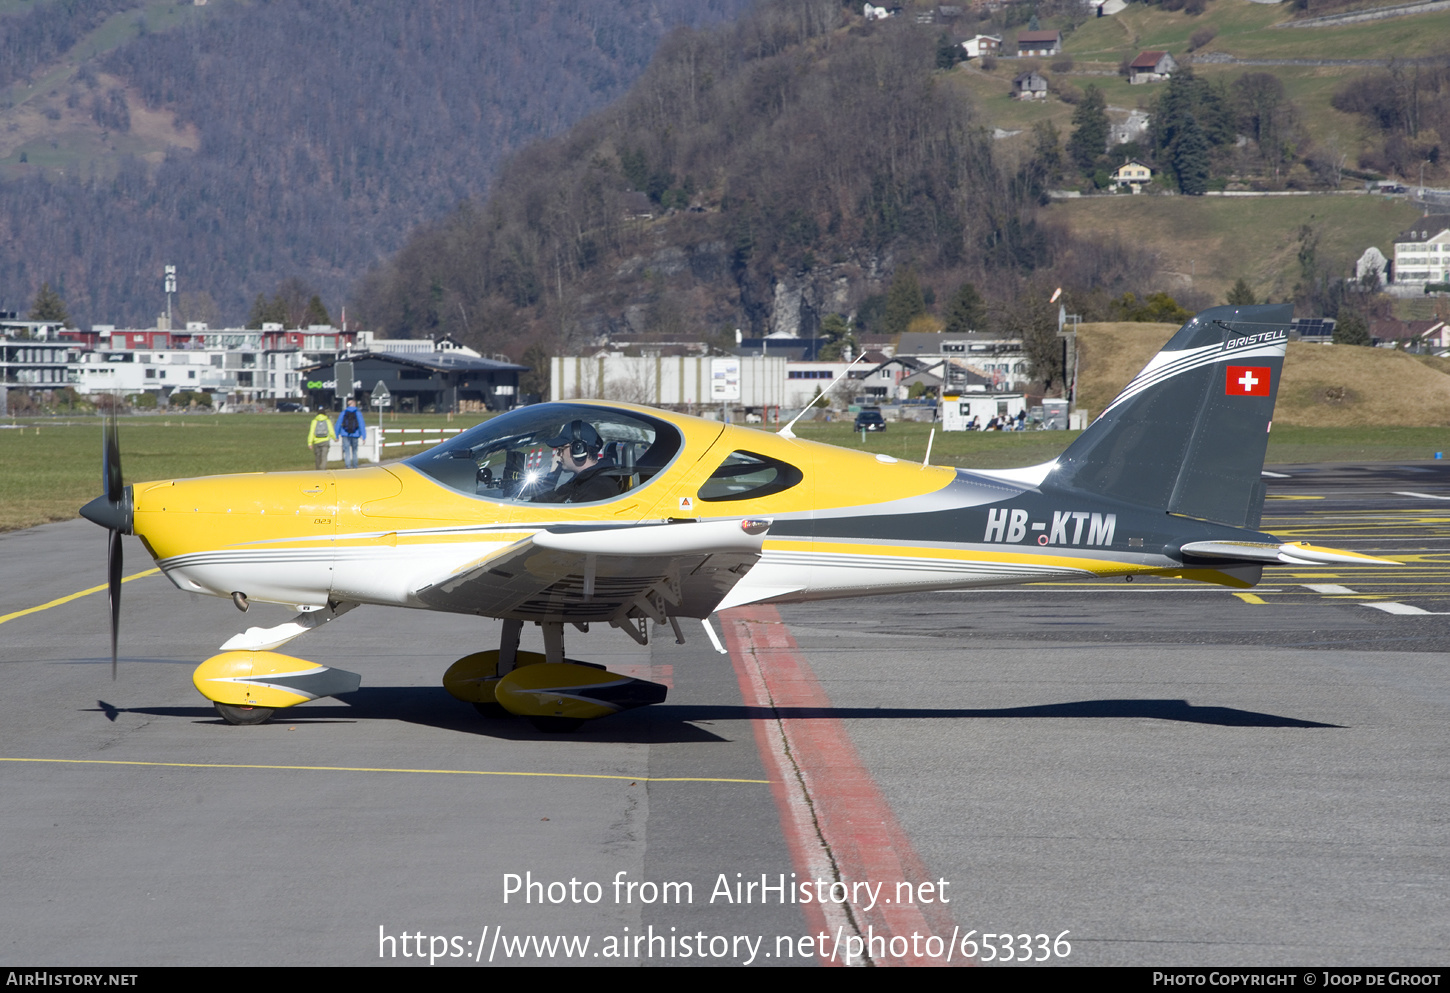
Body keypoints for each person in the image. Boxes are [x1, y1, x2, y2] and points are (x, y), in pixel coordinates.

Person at [533, 419, 620, 504]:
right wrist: (553, 474)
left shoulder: (599, 488)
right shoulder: (577, 481)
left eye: (560, 449)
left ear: (578, 449)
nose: (558, 455)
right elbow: (537, 506)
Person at [335, 399, 366, 470]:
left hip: (345, 434)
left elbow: (338, 424)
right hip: (355, 434)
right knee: (354, 451)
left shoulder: (343, 412)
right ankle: (355, 466)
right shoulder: (358, 413)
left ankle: (348, 466)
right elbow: (362, 425)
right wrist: (363, 436)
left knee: (347, 451)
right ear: (354, 404)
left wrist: (336, 435)